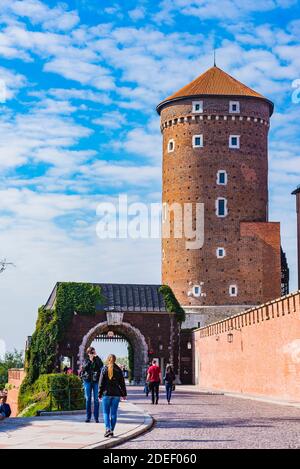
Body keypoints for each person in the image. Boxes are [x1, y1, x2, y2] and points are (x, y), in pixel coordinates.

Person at [99, 354, 127, 438]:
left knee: (106, 412)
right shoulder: (118, 370)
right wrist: (124, 394)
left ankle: (108, 429)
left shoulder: (104, 369)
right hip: (116, 394)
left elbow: (101, 383)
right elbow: (122, 383)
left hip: (106, 393)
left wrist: (99, 394)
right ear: (115, 360)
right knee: (114, 413)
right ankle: (111, 430)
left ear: (108, 360)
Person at [80, 347, 103, 423]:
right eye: (90, 352)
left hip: (96, 381)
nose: (92, 354)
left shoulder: (97, 359)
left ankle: (96, 417)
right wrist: (90, 360)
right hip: (87, 381)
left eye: (93, 352)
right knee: (88, 399)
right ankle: (88, 417)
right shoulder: (86, 360)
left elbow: (101, 365)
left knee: (96, 399)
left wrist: (96, 357)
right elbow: (84, 368)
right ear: (88, 353)